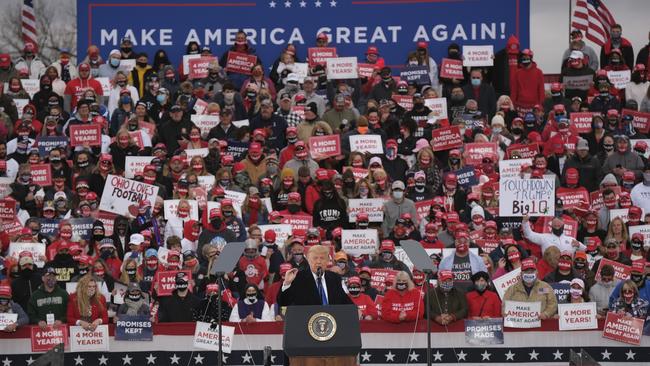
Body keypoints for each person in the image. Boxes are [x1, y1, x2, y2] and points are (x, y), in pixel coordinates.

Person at [278, 244, 352, 306]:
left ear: (327, 261)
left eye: (322, 258)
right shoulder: (298, 278)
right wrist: (287, 283)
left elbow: (344, 299)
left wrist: (355, 310)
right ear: (308, 260)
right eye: (315, 258)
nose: (318, 262)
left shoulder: (335, 278)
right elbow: (283, 302)